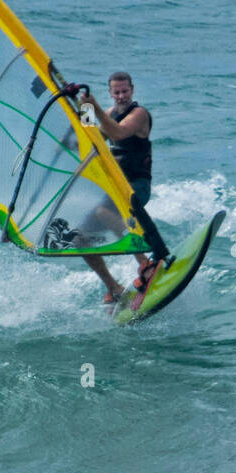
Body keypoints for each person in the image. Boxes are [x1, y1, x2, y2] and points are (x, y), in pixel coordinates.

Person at [77, 71, 169, 307]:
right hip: (116, 186)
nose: (121, 96)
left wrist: (95, 108)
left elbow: (117, 133)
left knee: (102, 212)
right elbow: (93, 139)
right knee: (80, 238)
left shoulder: (139, 114)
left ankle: (144, 263)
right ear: (110, 93)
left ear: (133, 90)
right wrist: (84, 110)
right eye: (116, 92)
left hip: (137, 185)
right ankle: (113, 287)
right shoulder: (109, 113)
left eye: (125, 91)